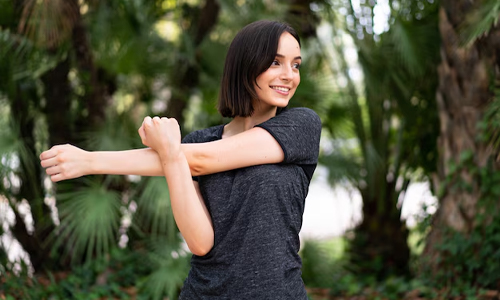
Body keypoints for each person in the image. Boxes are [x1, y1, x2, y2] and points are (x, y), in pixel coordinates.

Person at [40, 20, 321, 299]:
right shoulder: (199, 142)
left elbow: (201, 160)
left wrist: (95, 161)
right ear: (247, 64)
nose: (289, 75)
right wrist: (168, 156)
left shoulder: (301, 126)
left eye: (295, 64)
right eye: (275, 62)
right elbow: (200, 242)